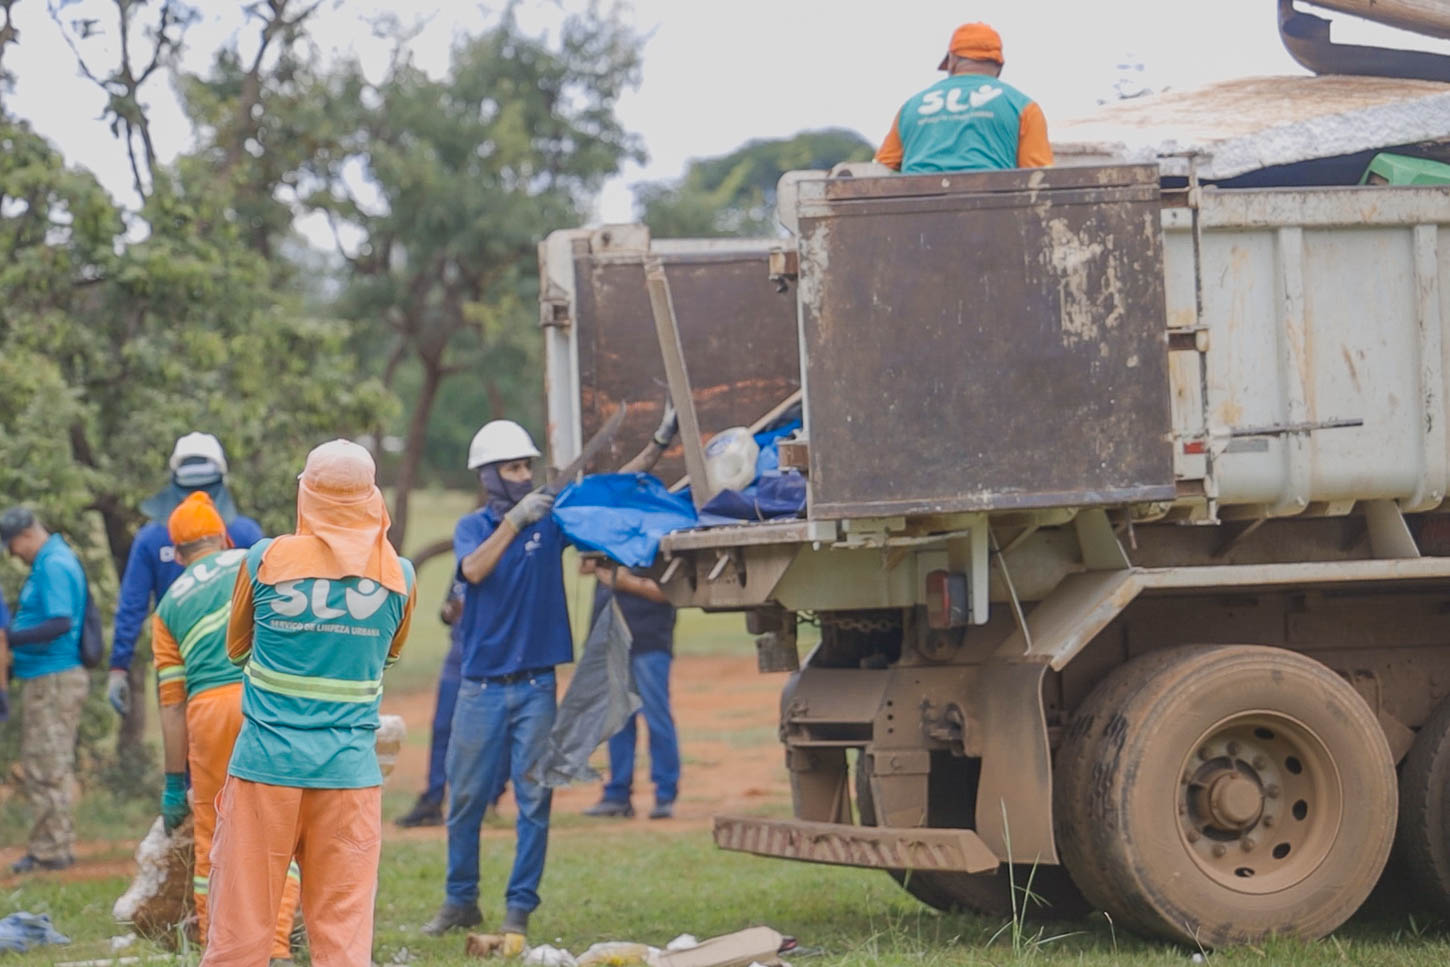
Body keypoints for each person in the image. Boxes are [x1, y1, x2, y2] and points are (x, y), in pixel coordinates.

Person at [425, 406, 678, 944]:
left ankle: (518, 909)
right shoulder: (474, 528)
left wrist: (657, 443)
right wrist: (516, 523)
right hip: (481, 690)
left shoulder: (553, 517)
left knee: (534, 801)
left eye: (526, 467)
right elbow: (472, 572)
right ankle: (459, 900)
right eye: (513, 469)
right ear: (490, 476)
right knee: (466, 799)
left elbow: (604, 491)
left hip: (537, 687)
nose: (524, 477)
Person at [201, 440, 415, 967]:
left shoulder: (265, 559)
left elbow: (235, 651)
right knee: (342, 939)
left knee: (241, 933)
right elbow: (387, 656)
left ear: (307, 496)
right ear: (372, 499)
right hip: (349, 777)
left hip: (265, 771)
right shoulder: (399, 576)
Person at [150, 492, 300, 962]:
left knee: (213, 835)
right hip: (265, 697)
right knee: (281, 827)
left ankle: (219, 946)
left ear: (176, 554)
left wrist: (175, 785)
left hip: (207, 713)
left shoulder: (168, 605)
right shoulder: (255, 562)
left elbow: (171, 708)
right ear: (224, 537)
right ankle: (275, 946)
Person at [109, 432, 264, 718]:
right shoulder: (245, 533)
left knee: (186, 747)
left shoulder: (152, 538)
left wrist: (119, 667)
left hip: (178, 665)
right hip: (241, 669)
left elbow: (132, 606)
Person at [1, 507, 89, 874]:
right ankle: (54, 844)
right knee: (47, 763)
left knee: (46, 766)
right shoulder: (51, 560)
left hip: (53, 677)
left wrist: (9, 638)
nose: (14, 555)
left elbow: (59, 622)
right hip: (46, 676)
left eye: (12, 547)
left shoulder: (53, 563)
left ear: (25, 536)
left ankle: (51, 851)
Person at [874, 22, 1052, 174]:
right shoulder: (1024, 107)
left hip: (916, 213)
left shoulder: (910, 107)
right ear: (999, 65)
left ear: (952, 61)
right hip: (994, 212)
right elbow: (1038, 177)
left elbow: (882, 169)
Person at [580, 561, 680, 820]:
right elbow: (586, 566)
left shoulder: (657, 537)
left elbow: (669, 591)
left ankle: (665, 793)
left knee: (657, 720)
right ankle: (617, 795)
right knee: (618, 723)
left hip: (649, 640)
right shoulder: (608, 537)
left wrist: (625, 582)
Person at [393, 581, 467, 828]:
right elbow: (446, 612)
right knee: (442, 727)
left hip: (492, 657)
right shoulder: (464, 560)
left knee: (487, 731)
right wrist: (450, 611)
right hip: (458, 653)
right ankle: (433, 799)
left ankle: (487, 798)